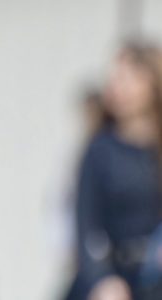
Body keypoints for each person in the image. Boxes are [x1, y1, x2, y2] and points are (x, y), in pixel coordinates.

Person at [70, 39, 162, 300]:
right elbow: (86, 222)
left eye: (128, 78)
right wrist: (102, 278)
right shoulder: (100, 150)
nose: (118, 87)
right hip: (115, 278)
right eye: (115, 78)